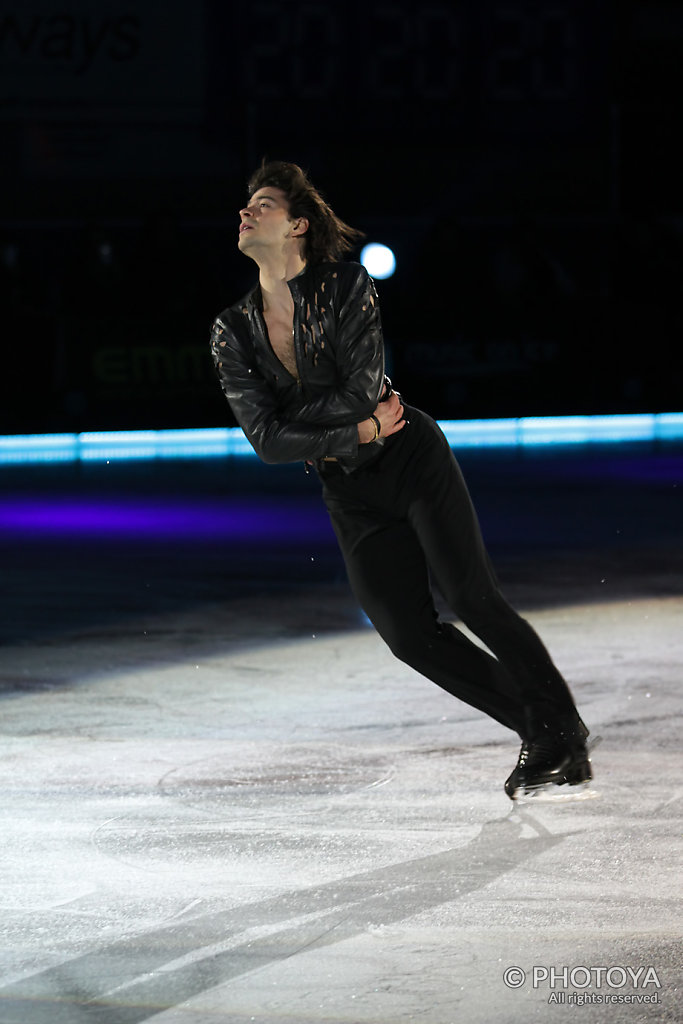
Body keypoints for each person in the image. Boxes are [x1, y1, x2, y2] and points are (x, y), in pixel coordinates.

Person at [210, 161, 594, 800]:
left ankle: (556, 730)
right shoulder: (233, 330)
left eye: (264, 204)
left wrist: (321, 423)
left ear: (297, 224)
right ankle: (544, 728)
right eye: (246, 204)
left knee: (470, 597)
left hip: (411, 457)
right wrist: (355, 433)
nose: (246, 212)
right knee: (408, 635)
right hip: (349, 486)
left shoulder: (348, 285)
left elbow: (360, 388)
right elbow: (267, 441)